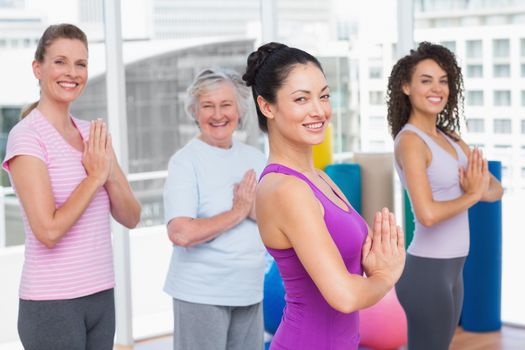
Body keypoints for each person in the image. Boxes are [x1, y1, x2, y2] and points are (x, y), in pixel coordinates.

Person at [242, 42, 405, 350]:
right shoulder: (286, 189)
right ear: (267, 107)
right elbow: (343, 296)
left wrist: (374, 263)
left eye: (324, 95)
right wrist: (385, 278)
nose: (319, 110)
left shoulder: (319, 178)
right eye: (301, 99)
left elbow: (351, 267)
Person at [2, 24, 141, 350]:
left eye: (81, 63)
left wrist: (106, 173)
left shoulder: (92, 135)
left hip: (100, 296)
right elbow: (47, 231)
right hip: (52, 303)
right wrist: (94, 178)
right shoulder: (27, 136)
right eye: (60, 61)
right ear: (38, 68)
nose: (72, 72)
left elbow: (131, 216)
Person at [387, 42, 504, 349]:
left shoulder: (451, 138)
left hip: (454, 269)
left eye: (443, 80)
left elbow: (495, 190)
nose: (437, 88)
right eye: (426, 80)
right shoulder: (411, 142)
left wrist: (478, 189)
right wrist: (472, 194)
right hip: (426, 271)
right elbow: (426, 214)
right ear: (406, 87)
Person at [163, 68, 267, 350]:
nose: (218, 114)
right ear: (195, 112)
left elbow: (274, 219)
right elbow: (181, 233)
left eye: (226, 105)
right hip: (202, 294)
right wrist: (237, 212)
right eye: (208, 106)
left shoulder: (256, 159)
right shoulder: (186, 162)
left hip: (249, 290)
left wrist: (251, 209)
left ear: (240, 110)